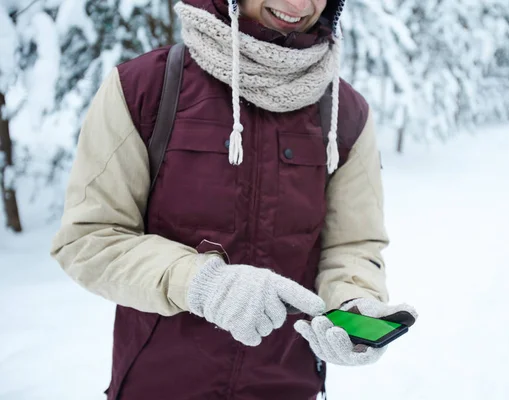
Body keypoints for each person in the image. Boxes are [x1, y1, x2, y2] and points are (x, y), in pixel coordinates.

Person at [50, 0, 417, 399]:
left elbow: (352, 246)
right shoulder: (144, 88)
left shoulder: (346, 115)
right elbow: (90, 239)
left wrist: (354, 302)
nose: (297, 4)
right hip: (159, 384)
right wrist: (203, 284)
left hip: (286, 387)